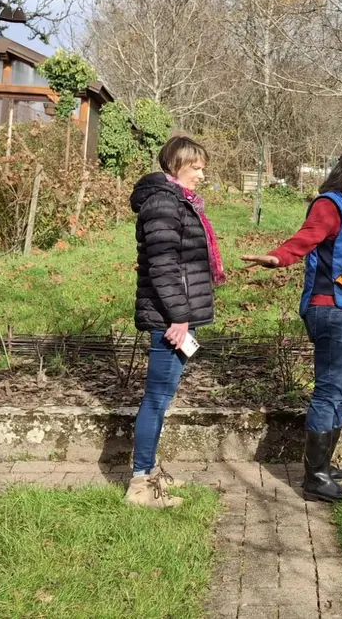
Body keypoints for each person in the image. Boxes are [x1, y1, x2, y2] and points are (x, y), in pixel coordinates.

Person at [242, 148, 342, 502]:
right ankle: (314, 477)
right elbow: (306, 238)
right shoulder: (329, 206)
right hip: (330, 309)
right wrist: (277, 258)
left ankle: (323, 464)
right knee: (330, 390)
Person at [127, 135, 224, 508]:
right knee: (156, 399)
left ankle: (150, 472)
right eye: (195, 167)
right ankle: (140, 484)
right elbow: (163, 264)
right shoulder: (164, 204)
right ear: (175, 165)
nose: (202, 173)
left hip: (177, 315)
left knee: (162, 396)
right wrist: (180, 317)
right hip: (169, 319)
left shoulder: (178, 202)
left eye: (203, 166)